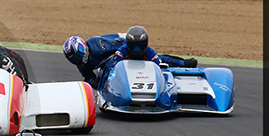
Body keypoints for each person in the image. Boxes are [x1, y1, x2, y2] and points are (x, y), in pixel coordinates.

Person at [63, 33, 197, 88]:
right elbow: (88, 77)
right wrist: (94, 82)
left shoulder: (98, 45)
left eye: (76, 55)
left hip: (124, 47)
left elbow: (121, 44)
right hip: (111, 64)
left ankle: (184, 63)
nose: (76, 60)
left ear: (82, 47)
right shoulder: (80, 63)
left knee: (153, 58)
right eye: (72, 59)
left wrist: (127, 54)